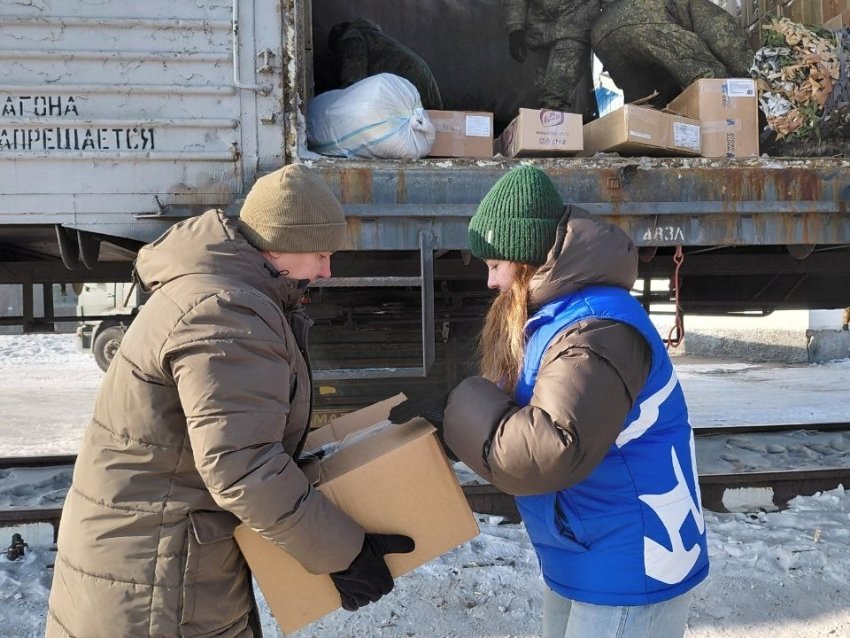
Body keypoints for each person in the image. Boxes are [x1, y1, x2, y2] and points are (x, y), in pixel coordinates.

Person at [45, 165, 414, 638]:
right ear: (281, 245)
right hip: (157, 589)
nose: (327, 270)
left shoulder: (209, 291)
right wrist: (345, 553)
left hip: (146, 566)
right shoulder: (225, 312)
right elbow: (243, 468)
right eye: (321, 254)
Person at [392, 165, 708, 637]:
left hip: (635, 560)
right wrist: (447, 421)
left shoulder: (596, 332)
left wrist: (460, 406)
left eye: (496, 266)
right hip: (585, 546)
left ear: (526, 260)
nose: (490, 282)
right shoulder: (557, 318)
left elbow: (545, 451)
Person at [591, 0, 754, 106]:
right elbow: (727, 42)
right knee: (711, 80)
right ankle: (734, 133)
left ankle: (644, 149)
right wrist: (753, 77)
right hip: (641, 17)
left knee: (646, 105)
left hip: (601, 34)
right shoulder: (706, 8)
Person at [502, 0, 599, 121]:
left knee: (554, 100)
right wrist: (515, 27)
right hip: (538, 34)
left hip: (574, 29)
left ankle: (550, 134)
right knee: (540, 96)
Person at [328, 19, 443, 110]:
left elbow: (352, 84)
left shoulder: (352, 37)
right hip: (420, 81)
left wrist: (335, 108)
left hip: (412, 86)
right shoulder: (372, 36)